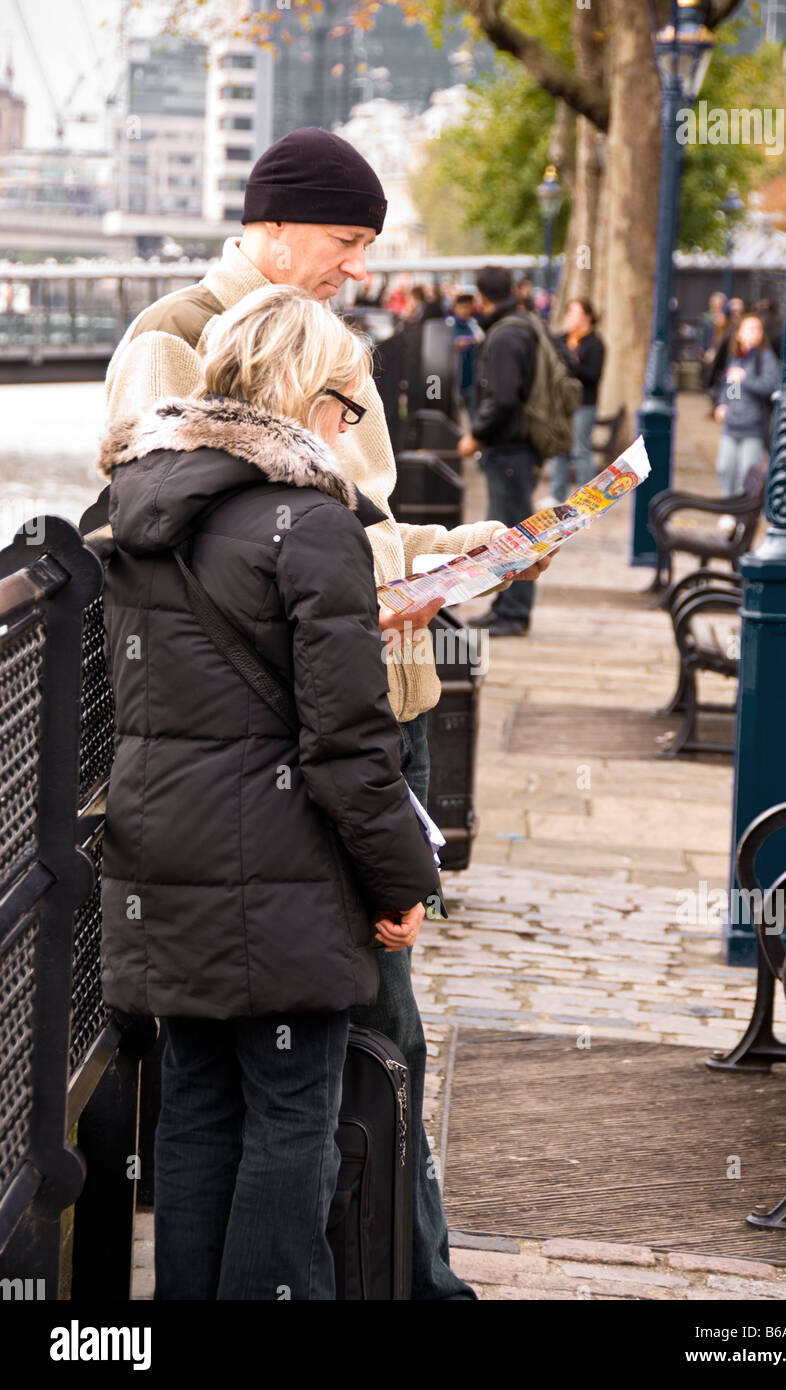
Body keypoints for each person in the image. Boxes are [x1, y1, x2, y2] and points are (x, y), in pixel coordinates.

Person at [102, 125, 552, 1300]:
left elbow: (207, 538)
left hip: (208, 795)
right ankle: (396, 1280)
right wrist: (401, 879)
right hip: (297, 775)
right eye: (347, 241)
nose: (358, 265)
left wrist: (453, 553)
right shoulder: (180, 342)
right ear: (279, 220)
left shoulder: (300, 380)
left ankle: (381, 1273)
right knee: (332, 1067)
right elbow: (241, 552)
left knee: (218, 1094)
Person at [97, 286, 444, 1299]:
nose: (352, 420)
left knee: (197, 1111)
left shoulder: (141, 508)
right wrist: (399, 882)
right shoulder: (311, 525)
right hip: (283, 871)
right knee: (293, 1119)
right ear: (308, 393)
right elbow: (345, 741)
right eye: (348, 397)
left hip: (164, 858)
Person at [457, 266, 542, 637]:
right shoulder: (519, 324)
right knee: (511, 527)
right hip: (518, 446)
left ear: (481, 296)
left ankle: (513, 612)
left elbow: (504, 397)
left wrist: (476, 434)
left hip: (509, 447)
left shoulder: (505, 334)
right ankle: (505, 605)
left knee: (510, 531)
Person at [713, 312, 780, 498]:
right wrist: (723, 404)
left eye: (758, 329)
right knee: (725, 468)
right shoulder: (736, 357)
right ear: (739, 334)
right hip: (732, 425)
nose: (754, 333)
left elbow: (769, 387)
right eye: (750, 328)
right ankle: (730, 506)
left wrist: (746, 378)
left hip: (753, 428)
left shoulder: (765, 358)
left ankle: (742, 516)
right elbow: (731, 388)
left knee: (747, 473)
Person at [550, 299, 605, 502]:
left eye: (576, 313)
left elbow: (593, 375)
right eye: (569, 312)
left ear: (587, 317)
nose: (571, 317)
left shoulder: (595, 343)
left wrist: (572, 364)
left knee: (580, 449)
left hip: (584, 404)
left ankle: (587, 499)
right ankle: (557, 495)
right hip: (561, 403)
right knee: (559, 449)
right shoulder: (561, 340)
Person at [446, 291, 484, 421]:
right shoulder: (450, 324)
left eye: (468, 306)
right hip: (455, 378)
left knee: (473, 414)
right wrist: (472, 340)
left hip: (471, 377)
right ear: (456, 307)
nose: (466, 310)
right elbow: (457, 343)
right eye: (463, 306)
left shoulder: (472, 324)